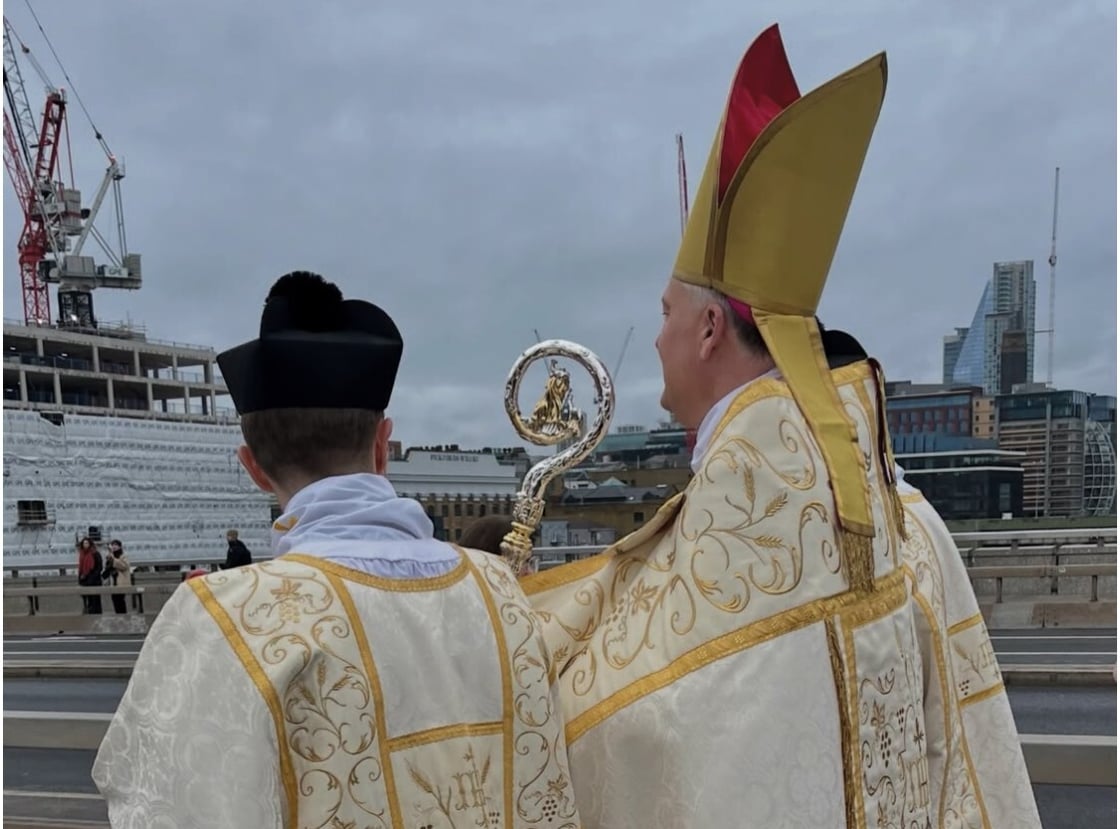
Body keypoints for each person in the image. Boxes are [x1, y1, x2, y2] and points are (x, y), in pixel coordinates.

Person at [522, 25, 1041, 828]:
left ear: (707, 331)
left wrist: (506, 643)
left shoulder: (747, 517)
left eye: (665, 312)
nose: (654, 336)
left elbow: (627, 729)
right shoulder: (902, 513)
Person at [92, 272, 580, 828]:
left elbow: (168, 806)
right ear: (382, 445)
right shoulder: (503, 592)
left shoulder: (223, 619)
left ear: (252, 469)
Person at [101, 539, 131, 614]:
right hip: (113, 582)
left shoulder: (124, 556)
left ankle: (124, 616)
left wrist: (113, 559)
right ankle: (118, 616)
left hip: (121, 582)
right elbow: (107, 568)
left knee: (120, 600)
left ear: (120, 547)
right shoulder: (110, 556)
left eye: (116, 545)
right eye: (113, 545)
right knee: (114, 600)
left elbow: (124, 566)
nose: (114, 547)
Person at [76, 537, 103, 615]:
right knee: (88, 601)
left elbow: (99, 567)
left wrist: (92, 578)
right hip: (85, 581)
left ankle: (97, 615)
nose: (85, 545)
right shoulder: (82, 554)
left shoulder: (95, 554)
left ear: (90, 544)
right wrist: (80, 579)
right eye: (84, 543)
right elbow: (81, 569)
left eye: (87, 543)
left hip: (94, 581)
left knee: (96, 601)